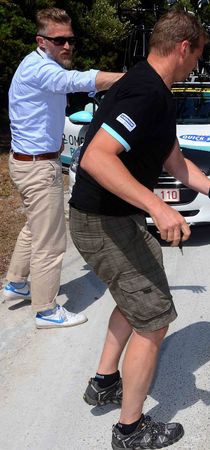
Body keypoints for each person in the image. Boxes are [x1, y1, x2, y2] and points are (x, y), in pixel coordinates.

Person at [69, 10, 210, 449]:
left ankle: (104, 382)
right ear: (184, 47)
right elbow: (96, 157)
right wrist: (157, 206)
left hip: (118, 218)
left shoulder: (156, 90)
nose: (197, 64)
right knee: (154, 319)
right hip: (102, 221)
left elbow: (174, 161)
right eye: (198, 55)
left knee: (136, 298)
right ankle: (130, 430)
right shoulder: (146, 92)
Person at [2, 7, 123, 328]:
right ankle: (45, 310)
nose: (67, 46)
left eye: (70, 39)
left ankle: (16, 283)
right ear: (41, 41)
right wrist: (132, 78)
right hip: (38, 168)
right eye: (59, 40)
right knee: (51, 242)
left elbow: (76, 82)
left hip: (28, 162)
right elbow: (75, 80)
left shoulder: (38, 63)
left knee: (35, 227)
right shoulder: (41, 70)